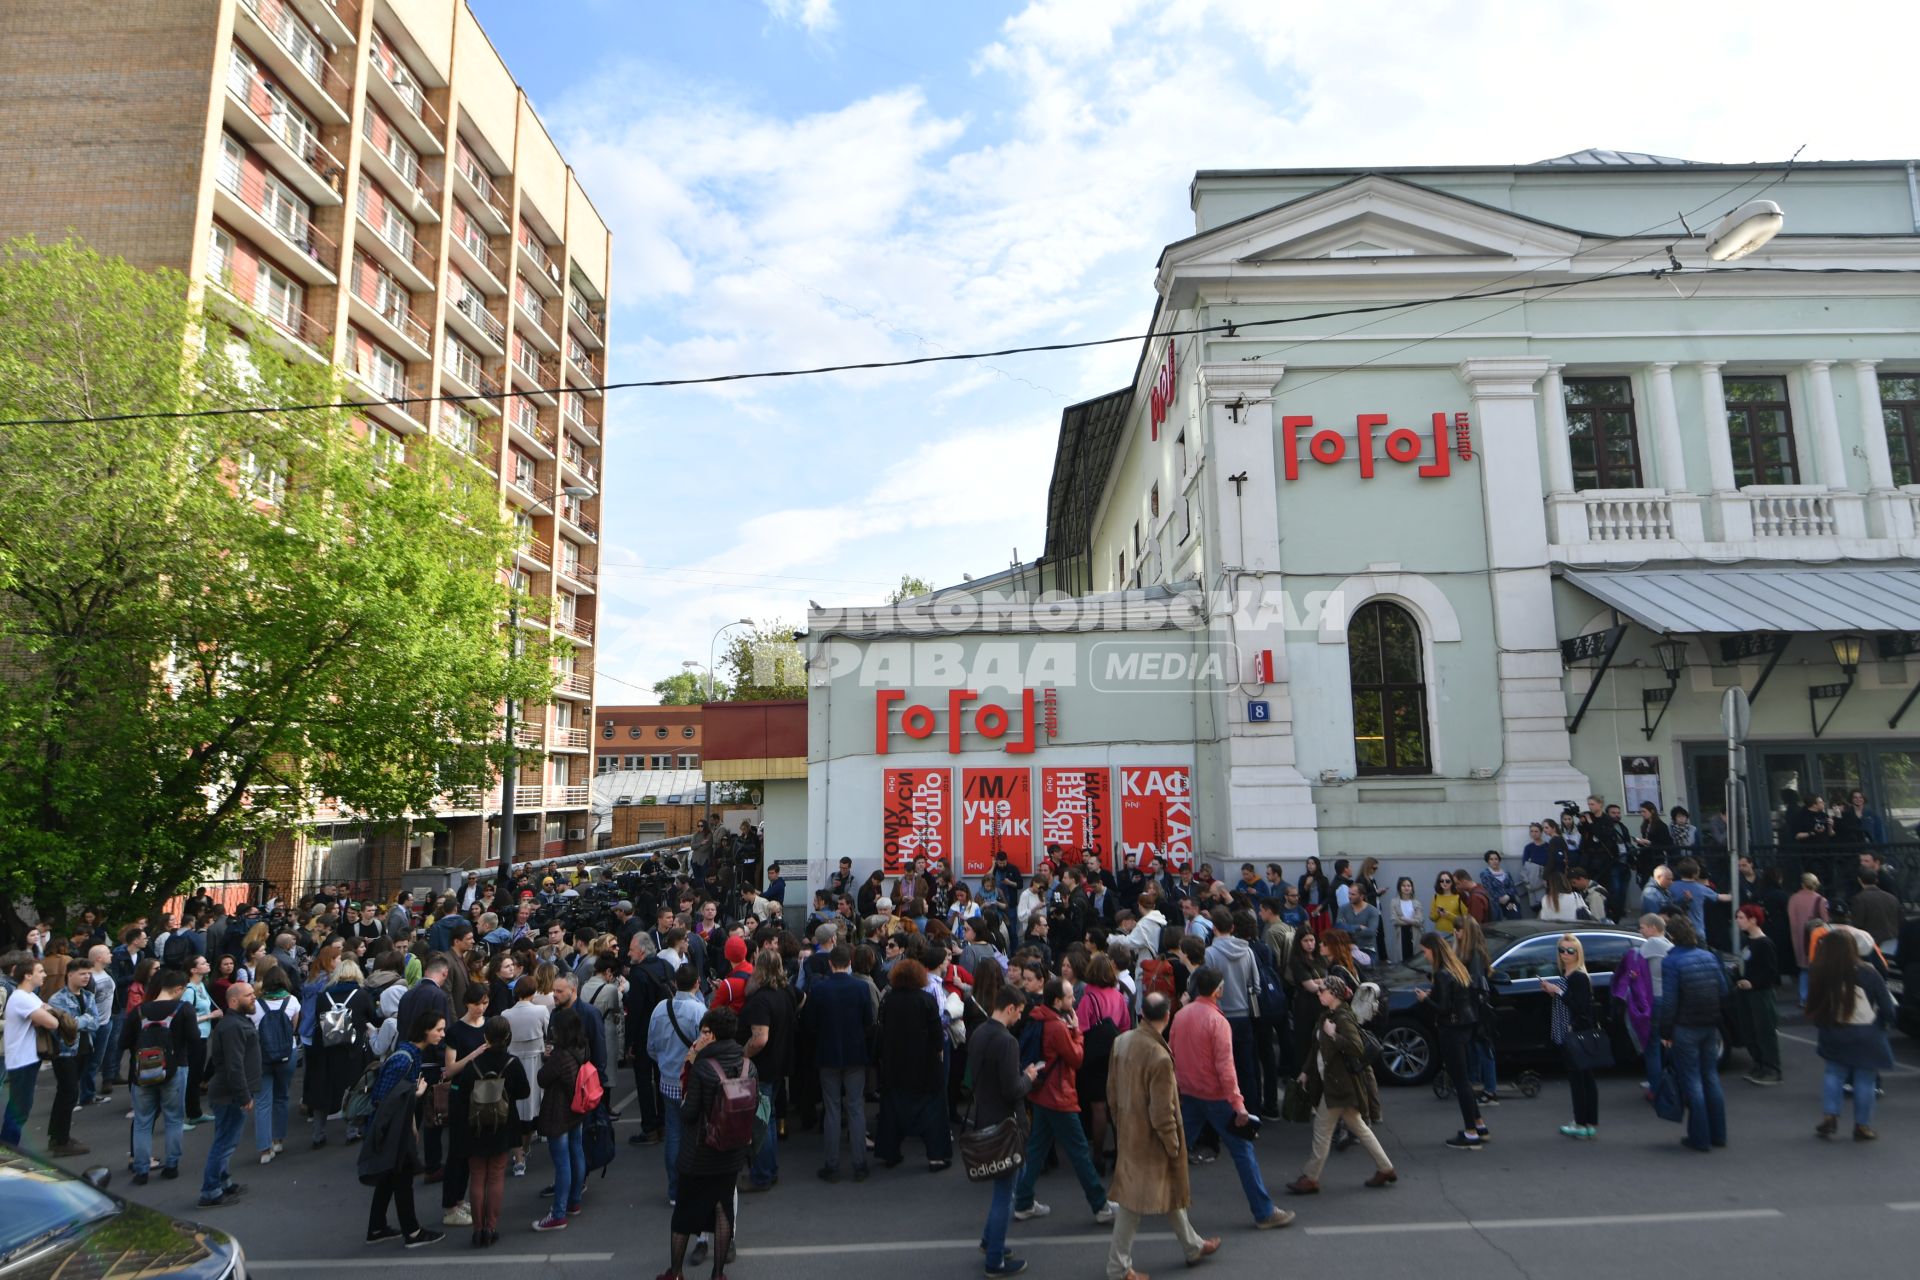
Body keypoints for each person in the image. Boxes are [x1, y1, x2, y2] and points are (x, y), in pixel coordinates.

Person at [1105, 991, 1220, 1279]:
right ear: (1167, 1017)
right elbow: (1162, 1112)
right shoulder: (1159, 1057)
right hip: (1152, 1138)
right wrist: (1173, 1144)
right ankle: (1118, 1267)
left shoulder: (1121, 1041)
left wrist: (1120, 1123)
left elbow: (1111, 1091)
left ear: (1142, 1013)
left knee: (1164, 1191)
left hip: (1129, 1131)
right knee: (1134, 1201)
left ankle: (1192, 1246)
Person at [1168, 967, 1292, 1229]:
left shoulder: (1180, 1016)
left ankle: (1155, 1198)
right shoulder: (1218, 1021)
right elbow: (1226, 1068)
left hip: (1189, 1093)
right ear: (1217, 991)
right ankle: (1263, 1212)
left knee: (1175, 1150)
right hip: (1216, 1097)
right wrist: (1239, 1106)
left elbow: (1173, 1054)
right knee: (1243, 1152)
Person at [1012, 975, 1116, 1224]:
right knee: (1080, 1151)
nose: (1074, 999)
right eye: (1070, 996)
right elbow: (1077, 1058)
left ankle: (1024, 1202)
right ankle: (1100, 1205)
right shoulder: (1058, 1026)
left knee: (1037, 1148)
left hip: (1042, 1093)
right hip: (1059, 1095)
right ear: (1058, 1001)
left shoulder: (1039, 1017)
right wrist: (1077, 1031)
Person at [1284, 972, 1394, 1195]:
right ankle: (1386, 1168)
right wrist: (1306, 1071)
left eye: (1322, 990)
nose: (1319, 992)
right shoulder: (1328, 1015)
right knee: (1360, 1128)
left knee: (1322, 1130)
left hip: (1339, 1085)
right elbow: (1316, 1048)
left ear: (1333, 994)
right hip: (1336, 1084)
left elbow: (1356, 1048)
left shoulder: (1342, 1019)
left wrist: (1334, 1035)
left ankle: (1310, 1177)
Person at [665, 1007, 751, 1280]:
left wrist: (690, 1063)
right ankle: (718, 1273)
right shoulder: (748, 1064)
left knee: (683, 1216)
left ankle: (676, 1272)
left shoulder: (703, 1067)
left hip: (701, 1152)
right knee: (723, 1208)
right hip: (733, 1149)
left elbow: (689, 1113)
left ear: (712, 1034)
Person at [969, 987, 1041, 1277]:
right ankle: (995, 1260)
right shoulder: (1006, 1042)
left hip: (985, 1119)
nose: (1019, 1017)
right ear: (1010, 1008)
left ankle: (991, 1242)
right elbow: (1012, 1089)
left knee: (1010, 1183)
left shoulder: (979, 1034)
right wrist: (1029, 1077)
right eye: (1019, 1011)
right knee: (1005, 1193)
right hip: (1006, 1125)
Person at [360, 1010, 445, 1247]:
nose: (442, 1034)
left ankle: (376, 1228)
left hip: (398, 1127)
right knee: (403, 1178)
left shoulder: (412, 1054)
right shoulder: (403, 1059)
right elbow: (381, 1097)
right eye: (438, 1029)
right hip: (392, 1130)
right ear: (425, 1031)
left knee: (389, 1177)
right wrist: (416, 1095)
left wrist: (413, 1124)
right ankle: (413, 1232)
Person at [1805, 926, 1896, 1141]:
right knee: (1865, 1080)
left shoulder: (1820, 972)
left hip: (1834, 1030)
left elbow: (1814, 1004)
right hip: (1867, 1032)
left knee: (1833, 1074)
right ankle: (1862, 1126)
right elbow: (1887, 1007)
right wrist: (1884, 1024)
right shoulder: (1868, 972)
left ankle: (1830, 1115)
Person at [801, 943, 872, 1183]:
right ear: (850, 963)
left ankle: (831, 1165)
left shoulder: (820, 989)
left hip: (828, 1052)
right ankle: (860, 1164)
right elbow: (868, 1020)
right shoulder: (861, 987)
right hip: (855, 1053)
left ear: (830, 964)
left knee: (831, 1109)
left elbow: (809, 1022)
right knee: (856, 1107)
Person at [1657, 917, 1729, 1154]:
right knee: (1710, 1077)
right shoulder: (1707, 956)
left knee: (1692, 1081)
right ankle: (1718, 1134)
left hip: (1685, 1026)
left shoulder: (1671, 962)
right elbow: (1723, 989)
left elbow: (1669, 1002)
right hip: (1709, 1024)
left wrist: (1666, 1031)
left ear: (1672, 937)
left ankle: (1699, 1137)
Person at [873, 956, 951, 1170]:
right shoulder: (926, 1001)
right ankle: (936, 1156)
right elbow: (936, 1035)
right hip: (924, 1064)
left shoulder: (889, 1000)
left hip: (895, 1063)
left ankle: (890, 1153)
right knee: (932, 1110)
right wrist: (938, 1051)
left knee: (892, 1110)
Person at [1416, 933, 1487, 1149]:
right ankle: (1478, 1124)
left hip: (1451, 1030)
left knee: (1461, 1081)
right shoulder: (1457, 968)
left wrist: (1425, 999)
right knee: (1464, 1079)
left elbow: (1444, 1008)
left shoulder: (1442, 974)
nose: (1424, 955)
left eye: (1425, 951)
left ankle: (1471, 1132)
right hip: (1465, 1027)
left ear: (1433, 950)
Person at [126, 969, 196, 1183]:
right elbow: (193, 1039)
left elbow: (123, 1042)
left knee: (143, 1121)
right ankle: (172, 1164)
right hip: (176, 1068)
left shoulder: (138, 1011)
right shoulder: (184, 1009)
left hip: (142, 1072)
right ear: (178, 989)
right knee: (174, 1119)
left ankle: (141, 1169)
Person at [738, 948, 796, 1192]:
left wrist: (742, 1054)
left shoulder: (761, 999)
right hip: (779, 1064)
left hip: (761, 1068)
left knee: (760, 1123)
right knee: (768, 1119)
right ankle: (768, 1170)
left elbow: (759, 1039)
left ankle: (762, 1174)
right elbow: (802, 999)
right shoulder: (785, 993)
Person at [199, 982, 259, 1208]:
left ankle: (223, 1182)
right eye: (249, 995)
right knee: (224, 1143)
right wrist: (244, 1096)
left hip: (230, 1093)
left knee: (227, 1142)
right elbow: (234, 1065)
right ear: (234, 1000)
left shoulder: (237, 1021)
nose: (254, 997)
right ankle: (210, 1191)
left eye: (253, 993)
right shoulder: (233, 1026)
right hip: (229, 1095)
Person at [532, 1006, 590, 1232]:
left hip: (559, 1111)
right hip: (577, 1109)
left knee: (562, 1162)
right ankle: (574, 1201)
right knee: (577, 1153)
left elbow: (542, 1079)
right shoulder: (582, 1047)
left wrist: (547, 1060)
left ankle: (558, 1213)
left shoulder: (560, 1056)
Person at [1544, 934, 1599, 1140]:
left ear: (1578, 953)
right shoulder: (1567, 974)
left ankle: (1581, 1122)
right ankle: (1586, 1122)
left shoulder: (1578, 976)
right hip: (1569, 1030)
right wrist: (1554, 992)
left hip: (1574, 1032)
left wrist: (1557, 991)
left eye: (1570, 951)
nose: (1565, 954)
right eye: (1562, 950)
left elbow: (1581, 1008)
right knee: (1583, 1078)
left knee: (1580, 1080)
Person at [44, 958, 100, 1156]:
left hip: (84, 1049)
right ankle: (61, 1140)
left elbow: (96, 1022)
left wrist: (79, 1022)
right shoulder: (57, 999)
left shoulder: (88, 996)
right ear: (70, 975)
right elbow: (64, 1028)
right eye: (82, 974)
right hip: (65, 1052)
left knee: (67, 1093)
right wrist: (82, 1021)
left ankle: (58, 1135)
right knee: (68, 1094)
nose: (86, 977)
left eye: (88, 974)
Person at [1733, 905, 1783, 1086]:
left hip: (1760, 994)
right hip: (1746, 993)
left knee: (1764, 1031)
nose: (1738, 921)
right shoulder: (1748, 942)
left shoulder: (1764, 943)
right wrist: (1739, 978)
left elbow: (1771, 972)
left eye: (1741, 918)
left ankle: (1771, 1068)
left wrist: (1753, 982)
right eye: (1738, 917)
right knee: (1750, 1030)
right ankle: (1759, 1064)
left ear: (1753, 919)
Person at [1668, 859, 1731, 939]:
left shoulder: (1672, 886)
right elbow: (1721, 897)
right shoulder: (1701, 889)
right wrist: (1734, 895)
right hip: (1697, 930)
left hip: (1676, 930)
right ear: (1695, 873)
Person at [1479, 852, 1521, 920]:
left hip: (1510, 902)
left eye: (1496, 859)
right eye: (1491, 859)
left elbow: (1512, 888)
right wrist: (1501, 899)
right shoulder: (1485, 874)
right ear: (1488, 861)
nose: (1494, 861)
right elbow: (1490, 890)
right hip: (1496, 905)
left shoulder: (1506, 873)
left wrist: (1508, 897)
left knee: (1516, 920)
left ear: (1499, 860)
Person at [1427, 872, 1464, 938]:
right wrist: (1438, 913)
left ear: (1452, 882)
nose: (1444, 883)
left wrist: (1449, 915)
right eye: (1441, 881)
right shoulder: (1436, 897)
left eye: (1447, 881)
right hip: (1439, 933)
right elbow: (1432, 918)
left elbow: (1465, 919)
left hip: (1454, 933)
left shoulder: (1459, 897)